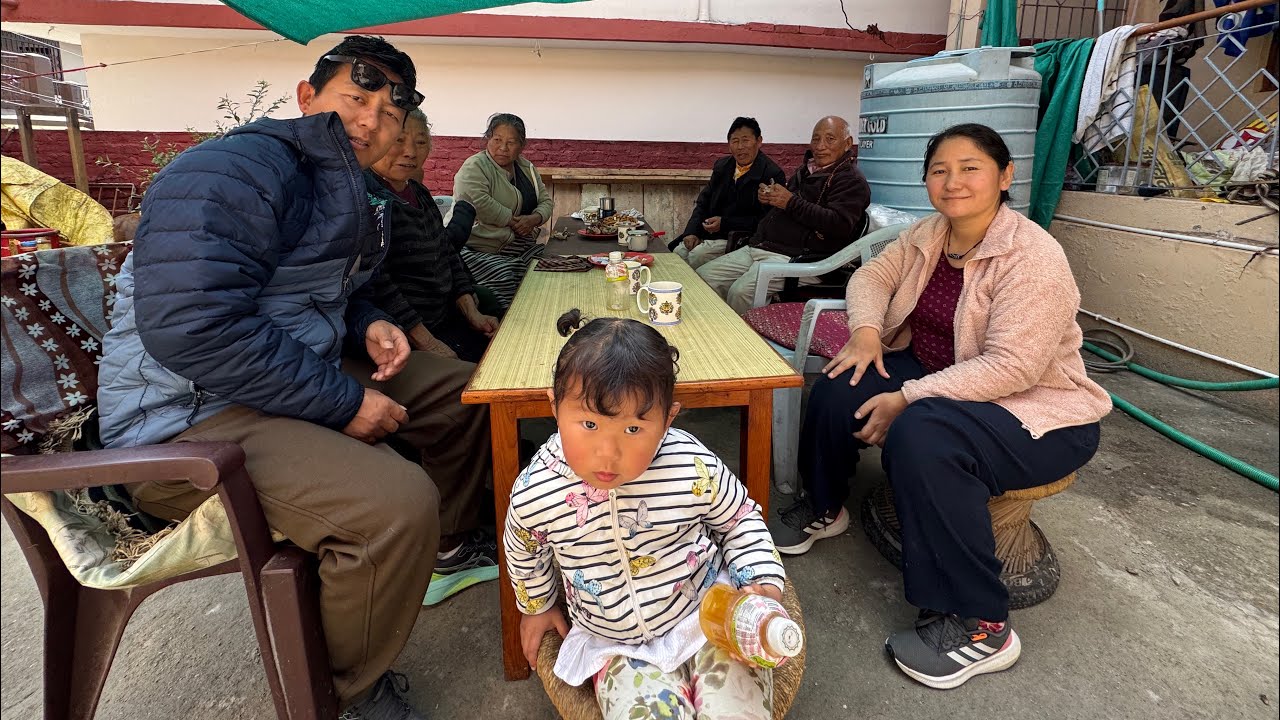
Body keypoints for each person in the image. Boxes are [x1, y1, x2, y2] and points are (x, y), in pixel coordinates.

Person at [96, 36, 495, 720]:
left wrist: (368, 320)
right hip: (184, 413)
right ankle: (348, 691)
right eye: (355, 97)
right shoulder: (236, 167)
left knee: (466, 394)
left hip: (279, 374)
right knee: (395, 506)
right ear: (307, 98)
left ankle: (452, 547)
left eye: (390, 112)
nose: (372, 121)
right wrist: (343, 402)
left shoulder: (349, 185)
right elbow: (192, 324)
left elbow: (319, 293)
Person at [769, 124, 1111, 690]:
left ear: (1005, 176)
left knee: (923, 435)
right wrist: (868, 331)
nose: (953, 181)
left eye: (970, 167)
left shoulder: (1033, 256)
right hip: (939, 375)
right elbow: (873, 275)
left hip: (1039, 411)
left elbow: (1014, 368)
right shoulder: (930, 235)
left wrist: (908, 396)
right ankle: (825, 506)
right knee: (838, 383)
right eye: (939, 169)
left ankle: (982, 624)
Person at [505, 310, 787, 720]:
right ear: (554, 407)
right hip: (615, 643)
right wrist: (537, 606)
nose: (608, 453)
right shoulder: (537, 491)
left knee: (738, 710)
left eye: (634, 430)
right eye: (588, 423)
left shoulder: (689, 463)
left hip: (708, 614)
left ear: (668, 418)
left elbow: (739, 517)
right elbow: (523, 548)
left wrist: (762, 580)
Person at [696, 115, 871, 314]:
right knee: (704, 278)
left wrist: (789, 201)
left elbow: (838, 224)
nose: (821, 146)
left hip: (801, 258)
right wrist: (770, 198)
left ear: (847, 143)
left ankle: (747, 341)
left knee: (740, 292)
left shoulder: (851, 181)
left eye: (830, 139)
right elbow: (787, 207)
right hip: (763, 246)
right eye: (816, 139)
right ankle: (718, 329)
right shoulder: (806, 170)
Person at [367, 108, 500, 362]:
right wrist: (430, 344)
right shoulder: (369, 199)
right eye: (399, 140)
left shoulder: (418, 192)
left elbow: (448, 254)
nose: (411, 152)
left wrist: (472, 313)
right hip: (406, 335)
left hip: (444, 319)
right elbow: (379, 285)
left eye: (420, 142)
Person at [452, 112, 553, 311]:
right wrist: (513, 222)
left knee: (550, 263)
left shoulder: (526, 168)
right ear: (488, 139)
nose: (503, 148)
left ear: (522, 145)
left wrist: (534, 219)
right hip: (478, 246)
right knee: (507, 273)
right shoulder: (475, 166)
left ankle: (540, 313)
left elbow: (546, 201)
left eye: (511, 142)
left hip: (518, 245)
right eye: (497, 140)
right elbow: (478, 202)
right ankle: (507, 324)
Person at [673, 117, 785, 269]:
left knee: (698, 255)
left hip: (740, 239)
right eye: (735, 141)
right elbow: (703, 202)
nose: (740, 147)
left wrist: (725, 223)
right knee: (679, 252)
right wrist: (691, 231)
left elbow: (765, 221)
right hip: (709, 234)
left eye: (745, 140)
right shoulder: (722, 166)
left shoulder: (771, 173)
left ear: (759, 141)